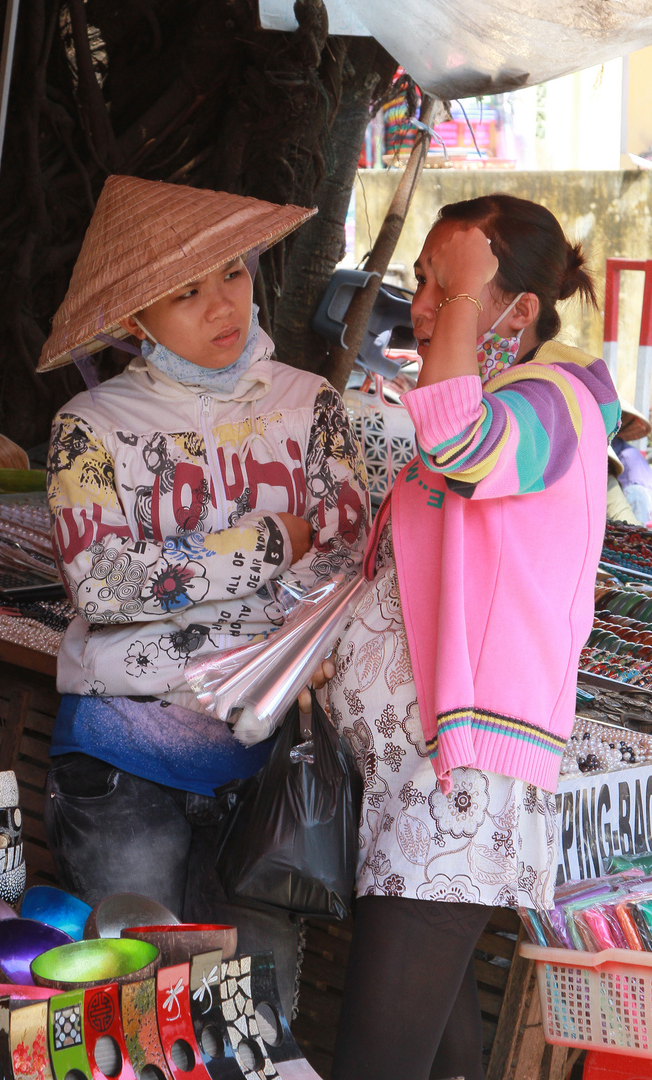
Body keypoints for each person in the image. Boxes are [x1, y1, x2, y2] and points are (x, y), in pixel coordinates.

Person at [37, 175, 369, 1019]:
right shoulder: (90, 426)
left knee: (253, 1017)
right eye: (186, 292)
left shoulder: (312, 408)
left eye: (230, 273)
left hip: (268, 768)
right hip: (123, 753)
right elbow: (104, 584)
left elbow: (350, 560)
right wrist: (267, 541)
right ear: (133, 321)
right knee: (134, 1013)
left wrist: (197, 570)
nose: (222, 304)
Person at [328, 193, 620, 1080]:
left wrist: (460, 299)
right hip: (417, 784)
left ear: (517, 311)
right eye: (422, 280)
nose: (421, 307)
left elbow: (460, 443)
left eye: (447, 289)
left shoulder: (554, 401)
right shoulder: (512, 399)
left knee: (379, 1061)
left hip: (454, 791)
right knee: (430, 1054)